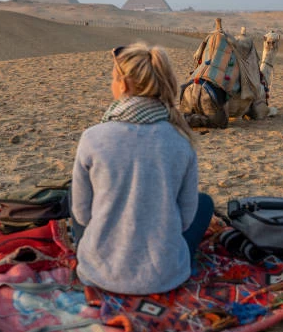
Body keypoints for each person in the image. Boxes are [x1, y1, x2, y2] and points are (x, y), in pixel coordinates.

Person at [71, 42, 214, 295]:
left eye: (113, 79)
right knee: (204, 204)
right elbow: (184, 221)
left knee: (74, 195)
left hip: (100, 273)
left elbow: (82, 216)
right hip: (165, 274)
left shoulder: (93, 138)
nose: (111, 85)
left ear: (124, 85)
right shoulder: (181, 141)